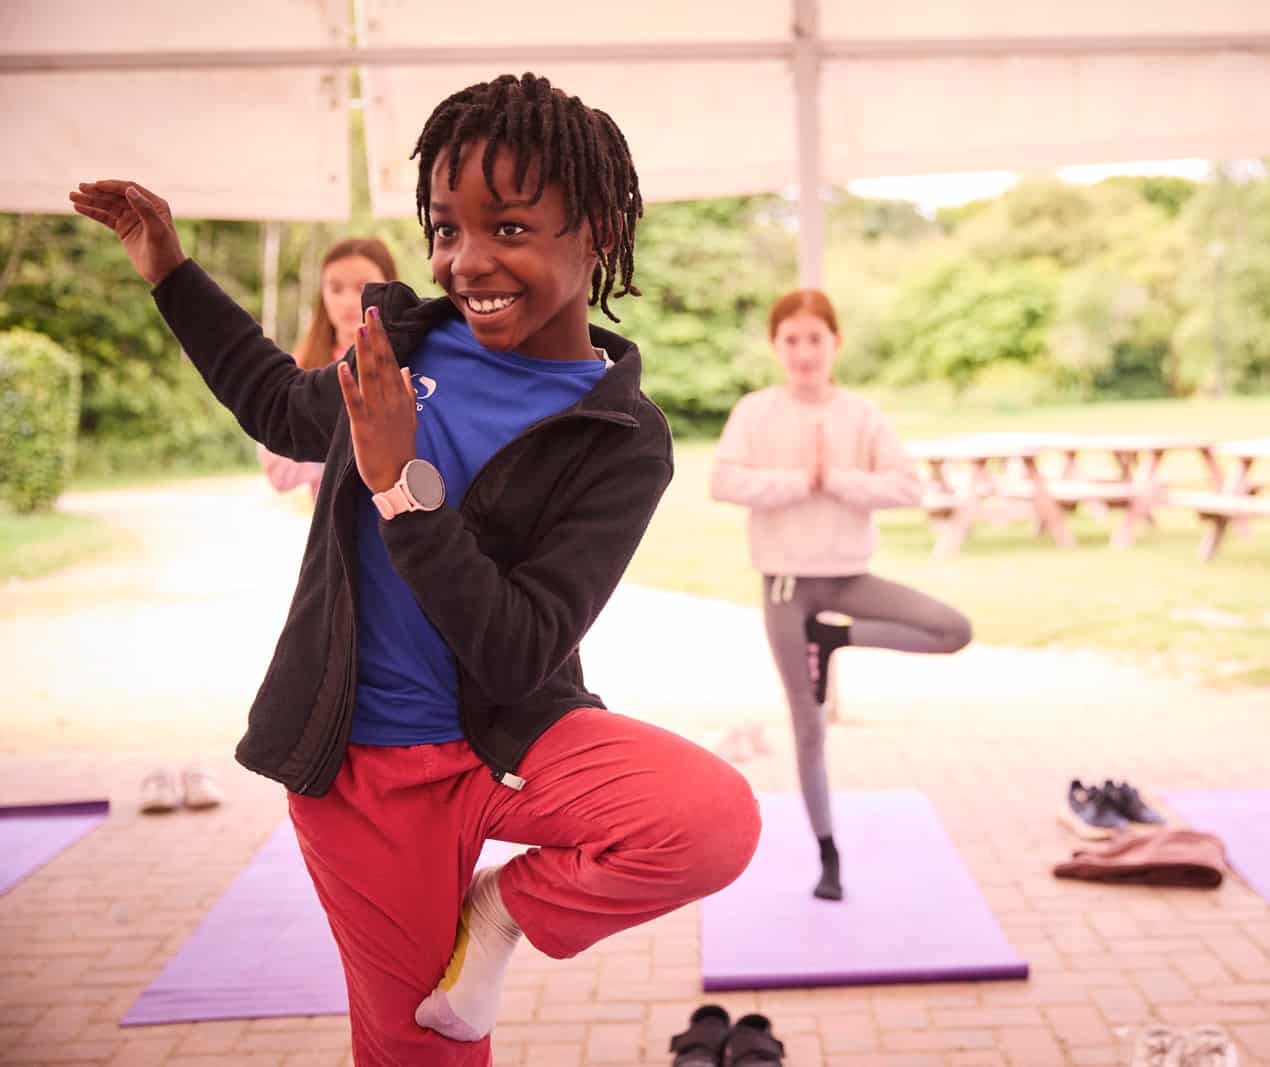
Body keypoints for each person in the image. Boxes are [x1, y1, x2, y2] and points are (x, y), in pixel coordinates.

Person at [71, 71, 760, 1065]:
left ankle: (503, 910)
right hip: (364, 772)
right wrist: (169, 267)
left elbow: (519, 646)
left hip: (509, 735)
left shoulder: (622, 434)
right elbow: (274, 401)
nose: (466, 260)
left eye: (510, 229)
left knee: (709, 820)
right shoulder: (402, 345)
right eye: (445, 228)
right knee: (424, 1052)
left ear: (599, 229)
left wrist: (399, 486)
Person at [710, 290, 972, 902]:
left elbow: (908, 487)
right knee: (808, 728)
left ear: (836, 344)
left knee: (952, 629)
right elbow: (724, 481)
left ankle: (837, 639)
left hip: (850, 578)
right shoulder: (756, 411)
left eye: (815, 339)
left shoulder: (861, 415)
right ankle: (828, 855)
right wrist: (802, 481)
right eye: (791, 340)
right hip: (785, 587)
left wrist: (839, 480)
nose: (803, 352)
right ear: (776, 347)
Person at [259, 238, 399, 500]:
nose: (347, 301)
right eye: (335, 289)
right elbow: (278, 471)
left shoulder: (413, 359)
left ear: (390, 287)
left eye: (361, 288)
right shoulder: (300, 365)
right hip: (331, 529)